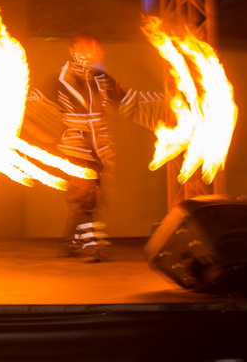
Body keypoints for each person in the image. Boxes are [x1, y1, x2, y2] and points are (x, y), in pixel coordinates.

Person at [26, 33, 165, 263]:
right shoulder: (58, 80)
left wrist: (165, 106)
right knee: (86, 194)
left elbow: (128, 100)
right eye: (85, 49)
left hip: (100, 146)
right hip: (74, 146)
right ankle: (92, 245)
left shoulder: (101, 78)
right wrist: (42, 135)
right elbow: (31, 107)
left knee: (91, 197)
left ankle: (70, 243)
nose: (91, 54)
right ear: (72, 51)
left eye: (94, 49)